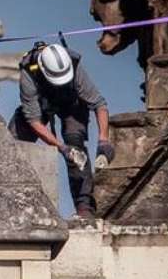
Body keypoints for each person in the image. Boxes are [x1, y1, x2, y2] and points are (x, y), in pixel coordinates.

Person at [9, 42, 114, 218]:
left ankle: (84, 207)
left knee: (76, 148)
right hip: (41, 105)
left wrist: (104, 139)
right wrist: (61, 147)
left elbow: (99, 104)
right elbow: (34, 120)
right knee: (13, 143)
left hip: (72, 104)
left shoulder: (73, 63)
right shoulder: (29, 72)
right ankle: (12, 196)